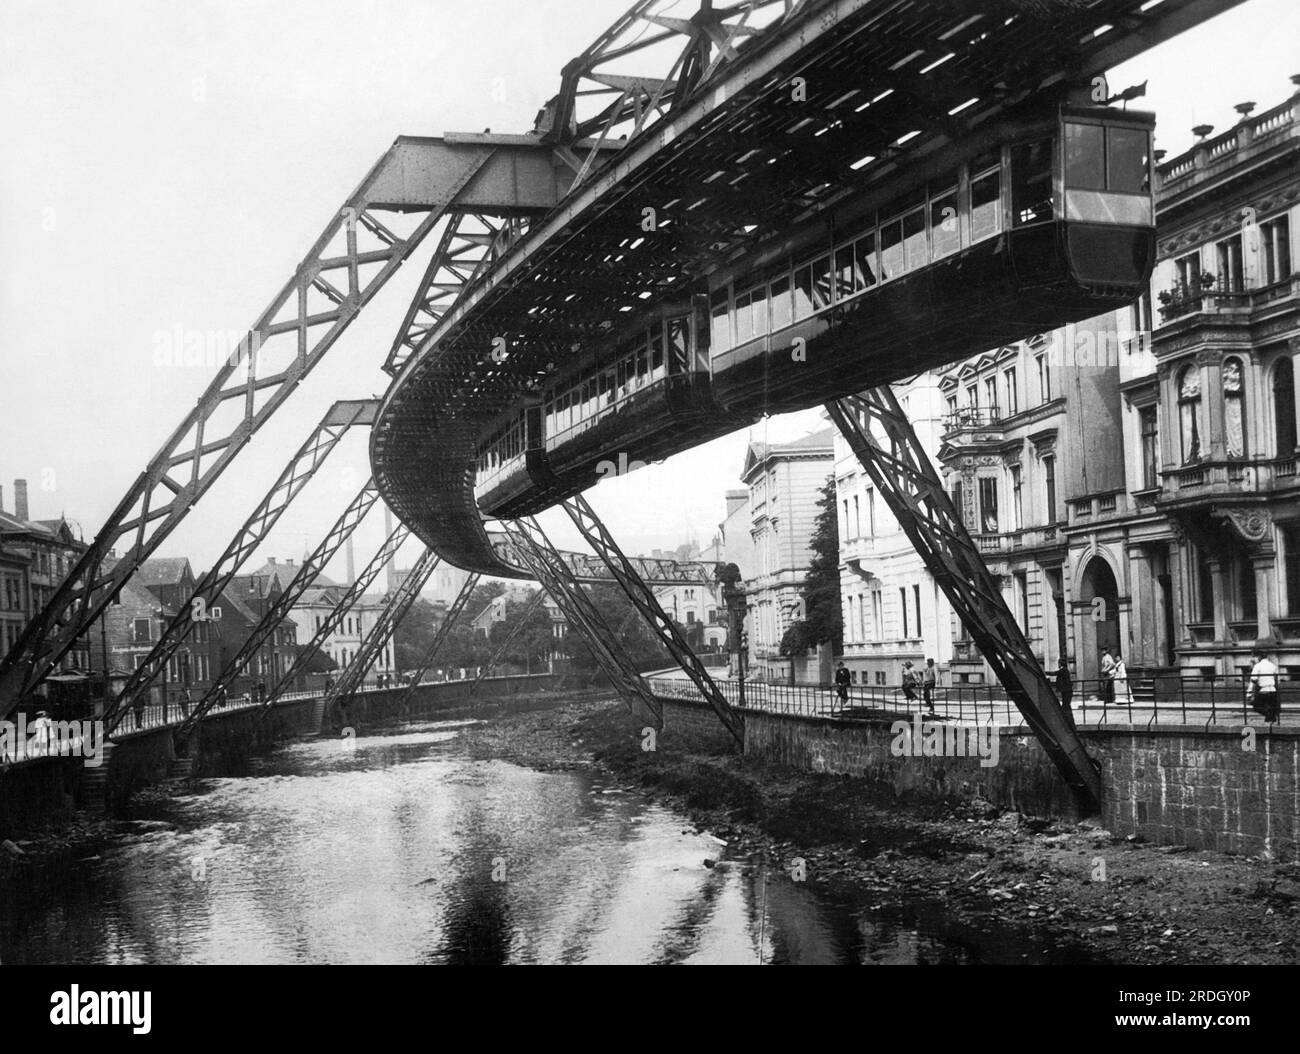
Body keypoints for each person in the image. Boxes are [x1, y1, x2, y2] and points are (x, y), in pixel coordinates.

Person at [1247, 645, 1280, 722]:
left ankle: (1269, 715)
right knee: (1271, 708)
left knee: (1256, 707)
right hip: (1273, 690)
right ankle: (1270, 719)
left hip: (1263, 691)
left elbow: (1253, 680)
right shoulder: (1273, 666)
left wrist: (1249, 694)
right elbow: (1277, 680)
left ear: (1259, 657)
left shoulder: (1258, 666)